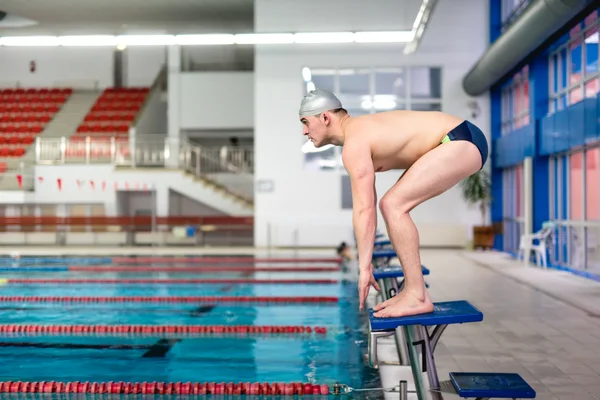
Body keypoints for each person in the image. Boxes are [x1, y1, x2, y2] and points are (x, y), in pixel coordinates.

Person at [298, 89, 488, 318]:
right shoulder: (360, 130)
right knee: (392, 204)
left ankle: (417, 295)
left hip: (458, 139)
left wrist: (364, 268)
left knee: (393, 205)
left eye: (306, 122)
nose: (304, 131)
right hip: (461, 136)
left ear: (325, 117)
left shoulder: (355, 144)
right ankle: (412, 291)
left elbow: (364, 209)